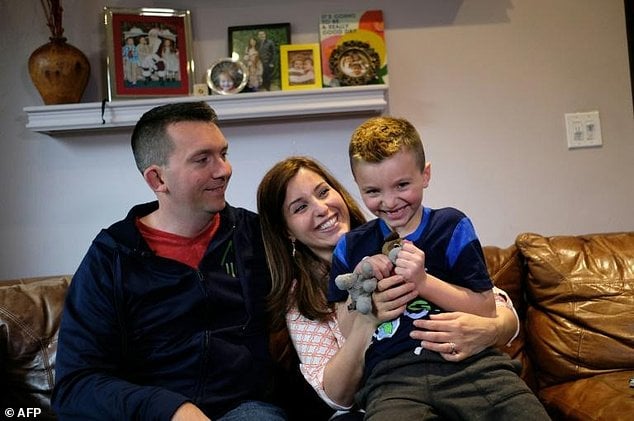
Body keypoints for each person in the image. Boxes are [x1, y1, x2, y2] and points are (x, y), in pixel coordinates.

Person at [51, 102, 286, 421]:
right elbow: (75, 385)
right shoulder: (112, 257)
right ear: (157, 179)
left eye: (223, 154)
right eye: (202, 159)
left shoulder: (255, 236)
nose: (223, 170)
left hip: (245, 410)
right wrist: (169, 408)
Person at [257, 156, 524, 420]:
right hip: (382, 398)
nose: (321, 208)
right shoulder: (301, 298)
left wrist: (492, 329)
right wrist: (367, 319)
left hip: (460, 372)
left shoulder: (395, 235)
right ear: (286, 231)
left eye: (323, 192)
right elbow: (338, 396)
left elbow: (496, 303)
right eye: (300, 207)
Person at [328, 117, 550, 419]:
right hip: (393, 379)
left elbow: (486, 308)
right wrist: (364, 283)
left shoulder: (451, 225)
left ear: (425, 175)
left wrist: (423, 281)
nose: (390, 201)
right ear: (357, 187)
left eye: (402, 185)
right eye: (373, 191)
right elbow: (345, 326)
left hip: (472, 366)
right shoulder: (350, 247)